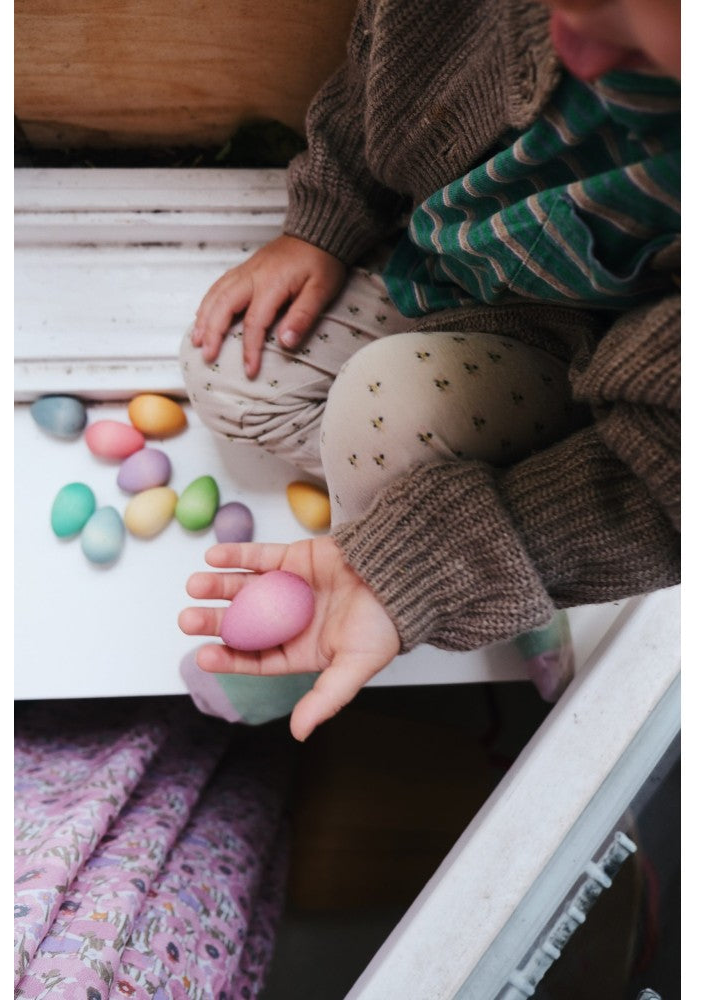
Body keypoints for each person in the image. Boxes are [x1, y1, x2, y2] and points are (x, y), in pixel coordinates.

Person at [176, 0, 681, 741]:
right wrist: (323, 223)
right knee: (226, 366)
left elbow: (666, 487)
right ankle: (480, 524)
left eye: (649, 57)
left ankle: (496, 557)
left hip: (576, 364)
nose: (575, 49)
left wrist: (416, 572)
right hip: (432, 276)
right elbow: (379, 73)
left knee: (386, 412)